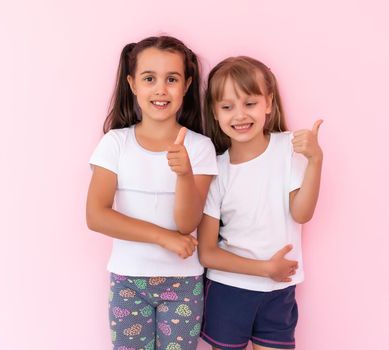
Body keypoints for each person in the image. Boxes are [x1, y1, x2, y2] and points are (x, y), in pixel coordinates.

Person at [86, 35, 217, 350]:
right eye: (149, 78)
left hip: (183, 283)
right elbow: (96, 216)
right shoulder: (115, 143)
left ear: (186, 85)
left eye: (171, 79)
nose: (161, 89)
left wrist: (184, 174)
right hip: (127, 281)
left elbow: (187, 224)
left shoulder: (200, 148)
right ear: (132, 84)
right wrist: (163, 237)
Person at [199, 56, 323, 350]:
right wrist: (265, 268)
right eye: (227, 107)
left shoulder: (288, 149)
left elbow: (302, 213)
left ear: (268, 103)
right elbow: (207, 253)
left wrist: (316, 160)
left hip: (279, 290)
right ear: (215, 113)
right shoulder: (215, 170)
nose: (239, 115)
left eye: (250, 103)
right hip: (229, 290)